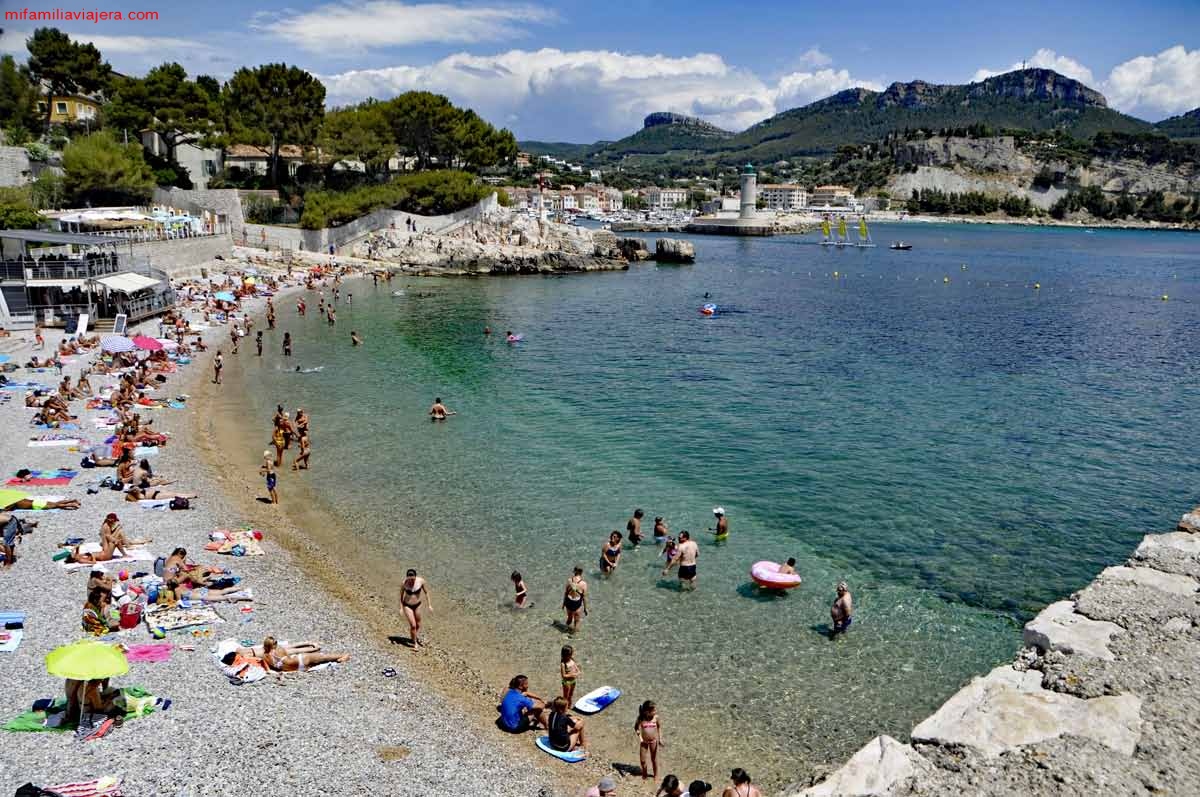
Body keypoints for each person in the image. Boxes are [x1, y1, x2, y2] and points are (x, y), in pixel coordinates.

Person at [261, 636, 349, 671]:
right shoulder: (279, 649)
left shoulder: (265, 657)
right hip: (300, 660)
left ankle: (338, 658)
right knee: (323, 657)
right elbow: (294, 652)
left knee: (319, 660)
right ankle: (344, 655)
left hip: (296, 669)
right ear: (274, 644)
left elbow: (269, 670)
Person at [401, 568, 432, 649]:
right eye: (409, 578)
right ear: (407, 577)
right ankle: (415, 643)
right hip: (407, 605)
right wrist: (401, 608)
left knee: (418, 624)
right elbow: (401, 596)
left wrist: (429, 605)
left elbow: (426, 592)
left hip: (417, 605)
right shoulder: (404, 583)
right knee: (413, 625)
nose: (411, 580)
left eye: (413, 578)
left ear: (415, 576)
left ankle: (412, 635)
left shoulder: (421, 581)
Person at [635, 700, 663, 781]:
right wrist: (640, 737)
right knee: (643, 760)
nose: (656, 711)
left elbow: (659, 727)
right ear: (647, 712)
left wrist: (660, 738)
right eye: (654, 710)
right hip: (644, 742)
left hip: (653, 741)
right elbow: (636, 728)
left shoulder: (656, 718)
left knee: (654, 759)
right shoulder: (641, 718)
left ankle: (656, 775)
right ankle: (644, 772)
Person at [562, 566, 588, 632]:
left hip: (569, 602)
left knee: (569, 618)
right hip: (576, 603)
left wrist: (563, 604)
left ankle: (565, 629)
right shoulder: (583, 583)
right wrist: (585, 608)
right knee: (577, 621)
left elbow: (566, 593)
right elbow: (584, 597)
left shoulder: (569, 580)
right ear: (581, 572)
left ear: (574, 571)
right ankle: (574, 636)